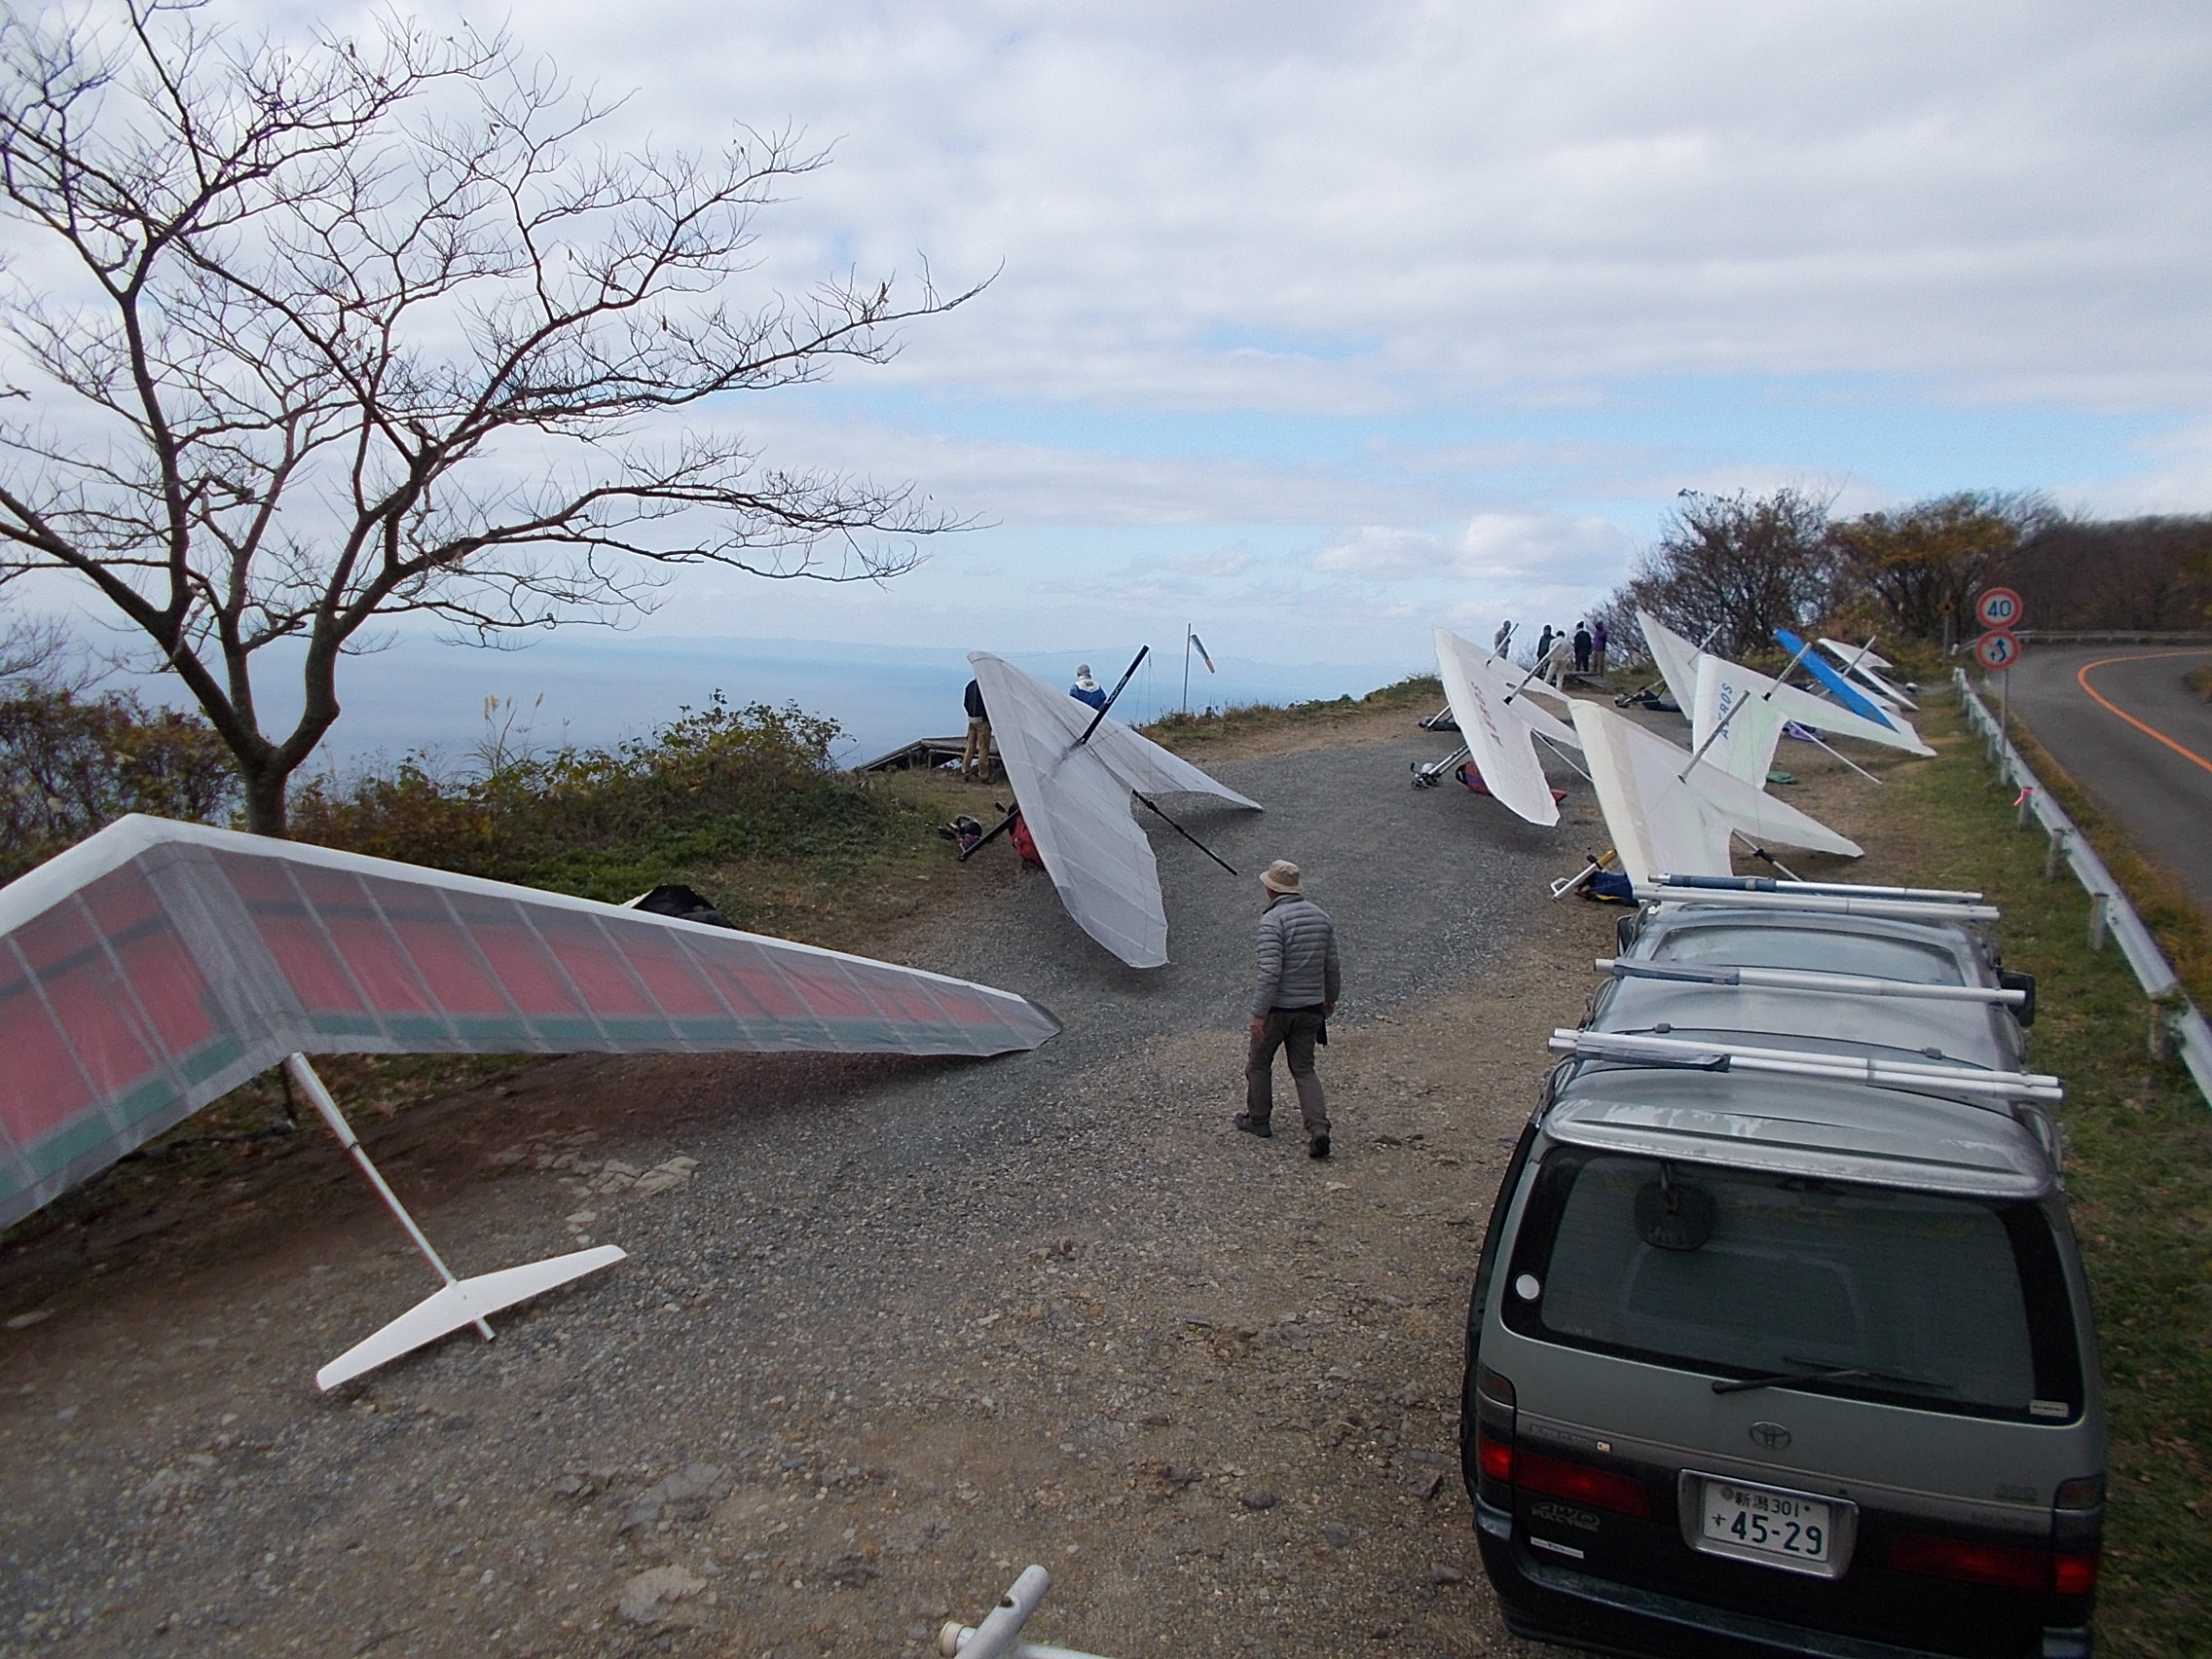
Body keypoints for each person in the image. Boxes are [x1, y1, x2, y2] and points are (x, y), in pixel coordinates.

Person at [1235, 860, 1341, 1160]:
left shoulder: (1272, 922)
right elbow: (1332, 965)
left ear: (1271, 889)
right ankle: (1318, 1126)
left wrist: (1258, 1013)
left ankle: (1258, 1120)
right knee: (1304, 1069)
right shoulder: (1321, 917)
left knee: (1259, 1063)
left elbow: (1270, 972)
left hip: (1278, 1010)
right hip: (1310, 1009)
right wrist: (1330, 999)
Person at [961, 677, 993, 781]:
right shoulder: (985, 687)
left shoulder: (970, 685)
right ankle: (983, 775)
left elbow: (965, 703)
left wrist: (971, 715)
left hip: (972, 720)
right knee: (983, 748)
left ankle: (965, 771)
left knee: (970, 747)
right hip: (982, 721)